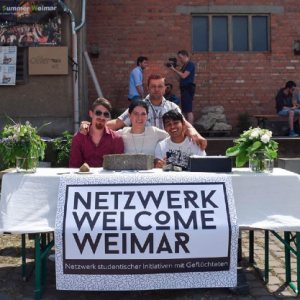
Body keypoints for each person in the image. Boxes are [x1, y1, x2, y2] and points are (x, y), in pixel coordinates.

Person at [106, 73, 207, 151]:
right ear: (148, 88)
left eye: (160, 86)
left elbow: (184, 123)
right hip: (147, 152)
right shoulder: (139, 107)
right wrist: (93, 126)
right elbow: (117, 123)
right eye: (153, 86)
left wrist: (195, 133)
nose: (156, 89)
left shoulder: (172, 107)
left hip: (167, 151)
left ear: (164, 88)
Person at [69, 98, 124, 168]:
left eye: (106, 114)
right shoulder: (78, 138)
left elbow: (118, 168)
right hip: (84, 178)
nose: (102, 117)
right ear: (91, 113)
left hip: (107, 178)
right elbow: (74, 167)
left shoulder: (116, 139)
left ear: (108, 117)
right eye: (98, 113)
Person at [168, 50, 196, 124]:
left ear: (185, 56)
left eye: (180, 58)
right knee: (184, 110)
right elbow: (179, 79)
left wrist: (174, 69)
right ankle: (186, 126)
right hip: (184, 89)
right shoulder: (184, 66)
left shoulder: (190, 64)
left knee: (188, 110)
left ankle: (191, 128)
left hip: (188, 88)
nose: (180, 60)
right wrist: (174, 70)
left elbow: (184, 76)